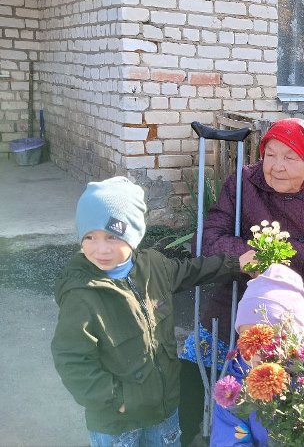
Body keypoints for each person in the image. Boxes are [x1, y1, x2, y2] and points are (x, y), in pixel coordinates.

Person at [179, 118, 304, 444]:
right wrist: (244, 255)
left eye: (290, 158)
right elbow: (204, 241)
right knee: (193, 365)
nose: (276, 167)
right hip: (245, 304)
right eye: (270, 155)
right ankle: (190, 436)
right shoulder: (245, 182)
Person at [51, 177, 254, 447]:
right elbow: (72, 360)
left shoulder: (153, 266)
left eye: (112, 236)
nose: (101, 248)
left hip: (164, 410)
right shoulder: (81, 294)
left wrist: (234, 263)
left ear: (134, 235)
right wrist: (117, 401)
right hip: (117, 423)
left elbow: (190, 271)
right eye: (90, 237)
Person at [210, 264, 304, 447]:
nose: (258, 351)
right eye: (249, 339)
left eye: (270, 338)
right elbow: (229, 441)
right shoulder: (233, 393)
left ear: (294, 339)